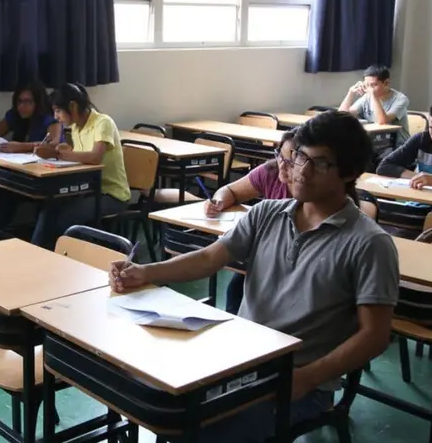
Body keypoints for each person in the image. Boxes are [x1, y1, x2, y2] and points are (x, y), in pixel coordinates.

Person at [110, 111, 399, 442]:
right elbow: (208, 258)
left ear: (349, 173)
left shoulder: (370, 244)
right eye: (300, 157)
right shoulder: (267, 213)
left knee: (201, 428)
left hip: (297, 382)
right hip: (238, 358)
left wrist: (307, 377)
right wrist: (145, 271)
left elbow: (374, 336)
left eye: (319, 164)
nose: (301, 172)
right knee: (154, 395)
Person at [205, 129, 296, 314]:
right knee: (236, 291)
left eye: (290, 162)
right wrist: (218, 201)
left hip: (288, 265)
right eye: (280, 156)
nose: (282, 165)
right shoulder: (269, 172)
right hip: (264, 253)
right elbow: (230, 190)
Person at [31, 83, 131, 248]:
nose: (56, 116)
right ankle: (37, 252)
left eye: (58, 110)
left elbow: (94, 157)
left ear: (73, 106)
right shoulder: (76, 128)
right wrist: (66, 151)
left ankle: (79, 258)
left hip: (112, 194)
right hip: (88, 190)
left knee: (67, 217)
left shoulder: (102, 122)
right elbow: (81, 160)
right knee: (49, 208)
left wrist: (57, 154)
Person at [339, 65, 410, 151]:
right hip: (375, 144)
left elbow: (382, 121)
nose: (369, 88)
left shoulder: (401, 99)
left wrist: (373, 96)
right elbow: (341, 115)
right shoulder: (367, 97)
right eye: (366, 85)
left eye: (373, 85)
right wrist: (350, 93)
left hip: (397, 147)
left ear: (386, 83)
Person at [0, 80, 62, 153]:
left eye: (28, 101)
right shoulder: (15, 115)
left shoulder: (50, 120)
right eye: (19, 101)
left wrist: (21, 147)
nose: (21, 106)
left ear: (38, 102)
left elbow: (53, 145)